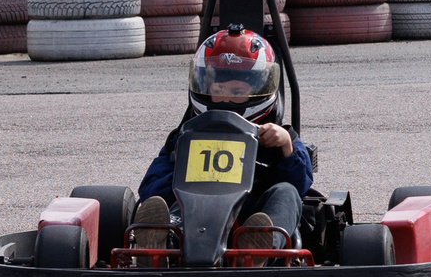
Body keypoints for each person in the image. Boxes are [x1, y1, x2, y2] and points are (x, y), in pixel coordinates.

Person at [132, 26, 314, 243]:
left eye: (237, 92)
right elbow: (149, 188)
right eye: (218, 91)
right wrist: (186, 180)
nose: (226, 99)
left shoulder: (278, 137)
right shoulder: (184, 137)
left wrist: (286, 148)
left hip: (252, 218)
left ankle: (261, 247)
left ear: (261, 89)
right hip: (193, 217)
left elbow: (300, 186)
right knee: (169, 204)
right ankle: (163, 243)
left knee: (286, 192)